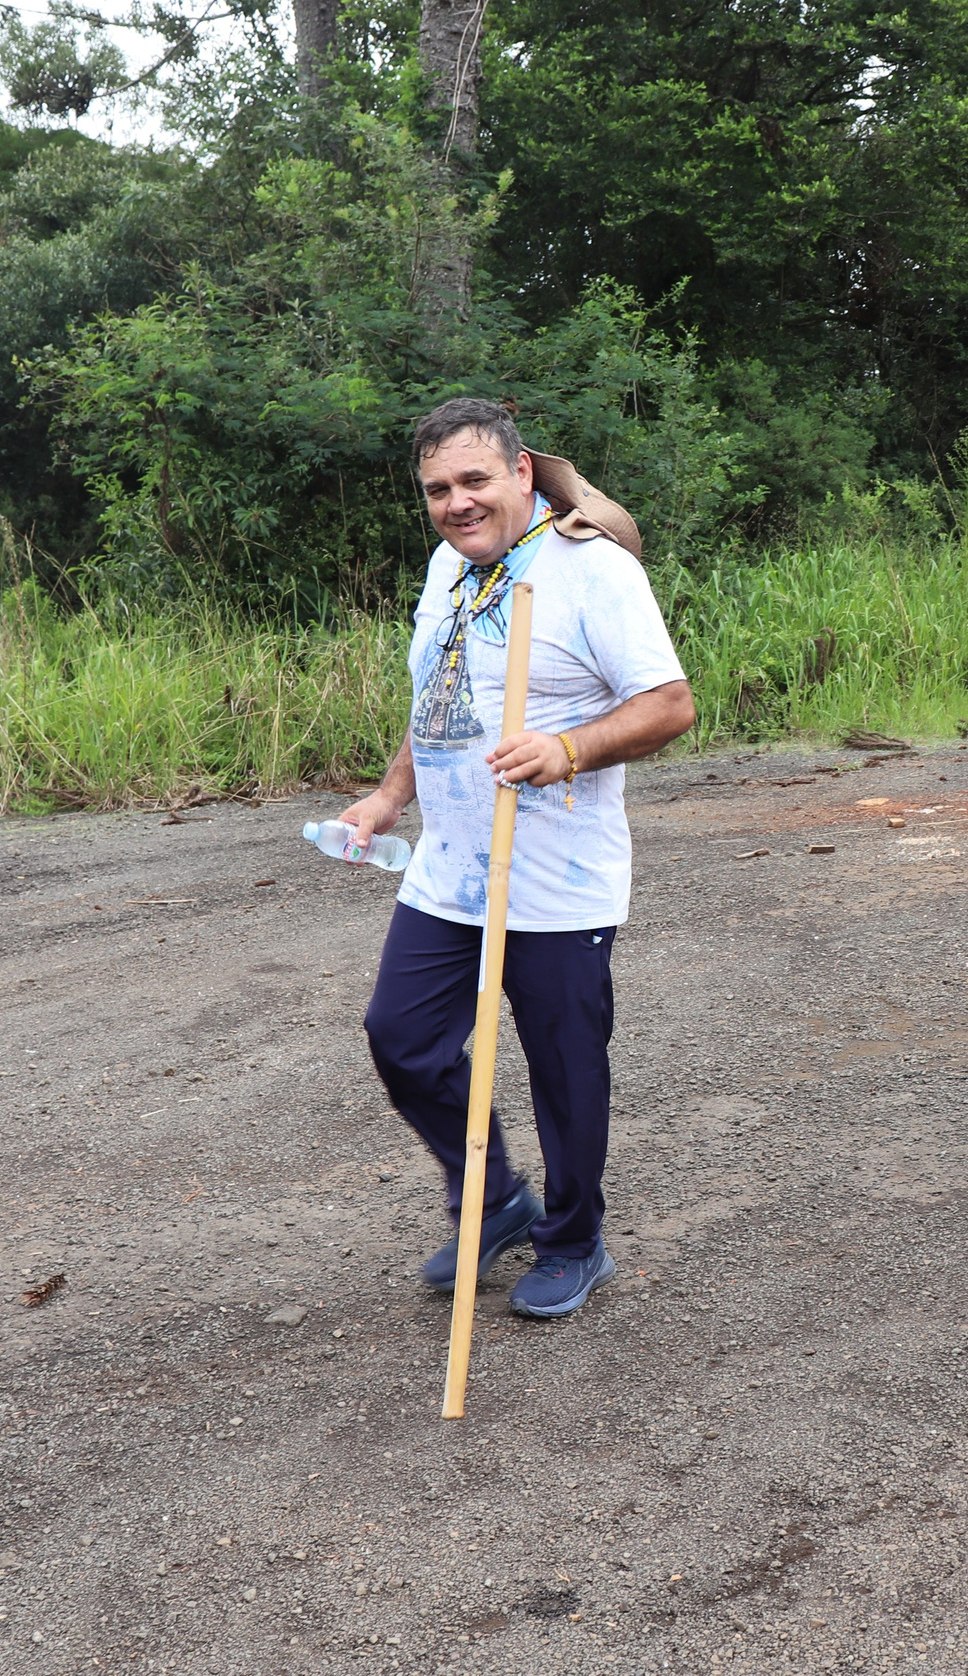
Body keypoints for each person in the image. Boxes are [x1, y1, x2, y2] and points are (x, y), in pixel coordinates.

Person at [339, 398, 695, 1319]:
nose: (455, 503)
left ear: (522, 473)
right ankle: (496, 1199)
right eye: (436, 490)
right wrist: (389, 795)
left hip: (559, 881)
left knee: (564, 1067)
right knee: (403, 1038)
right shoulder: (448, 569)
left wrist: (566, 749)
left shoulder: (592, 571)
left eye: (473, 480)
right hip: (451, 868)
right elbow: (439, 701)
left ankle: (574, 1242)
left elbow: (669, 703)